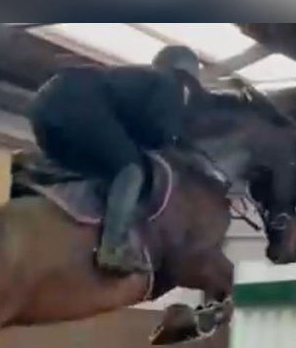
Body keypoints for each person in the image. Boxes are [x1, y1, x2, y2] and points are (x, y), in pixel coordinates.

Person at [28, 45, 206, 275]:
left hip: (44, 108)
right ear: (188, 73)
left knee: (103, 167)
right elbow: (158, 131)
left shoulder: (139, 79)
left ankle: (40, 169)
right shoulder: (171, 82)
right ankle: (112, 247)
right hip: (78, 103)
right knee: (131, 169)